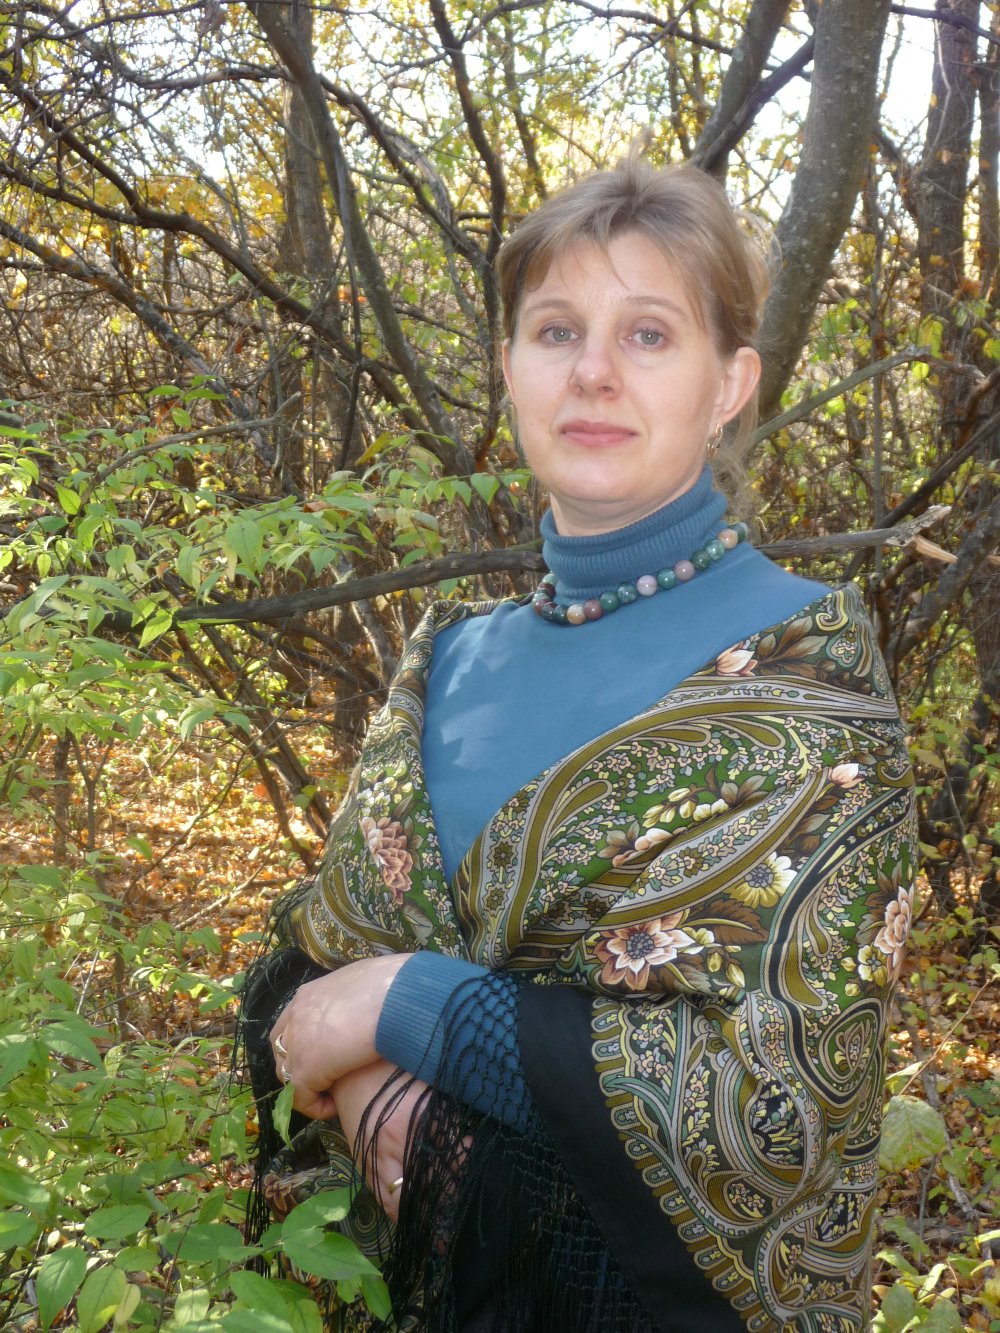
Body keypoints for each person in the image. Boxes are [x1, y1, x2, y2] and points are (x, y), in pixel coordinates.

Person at [240, 157, 918, 1333]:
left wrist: (411, 1004)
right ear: (509, 367)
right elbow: (306, 975)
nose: (592, 371)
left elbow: (779, 1108)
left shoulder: (811, 680)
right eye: (556, 330)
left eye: (648, 334)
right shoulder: (444, 660)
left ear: (729, 383)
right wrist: (364, 1088)